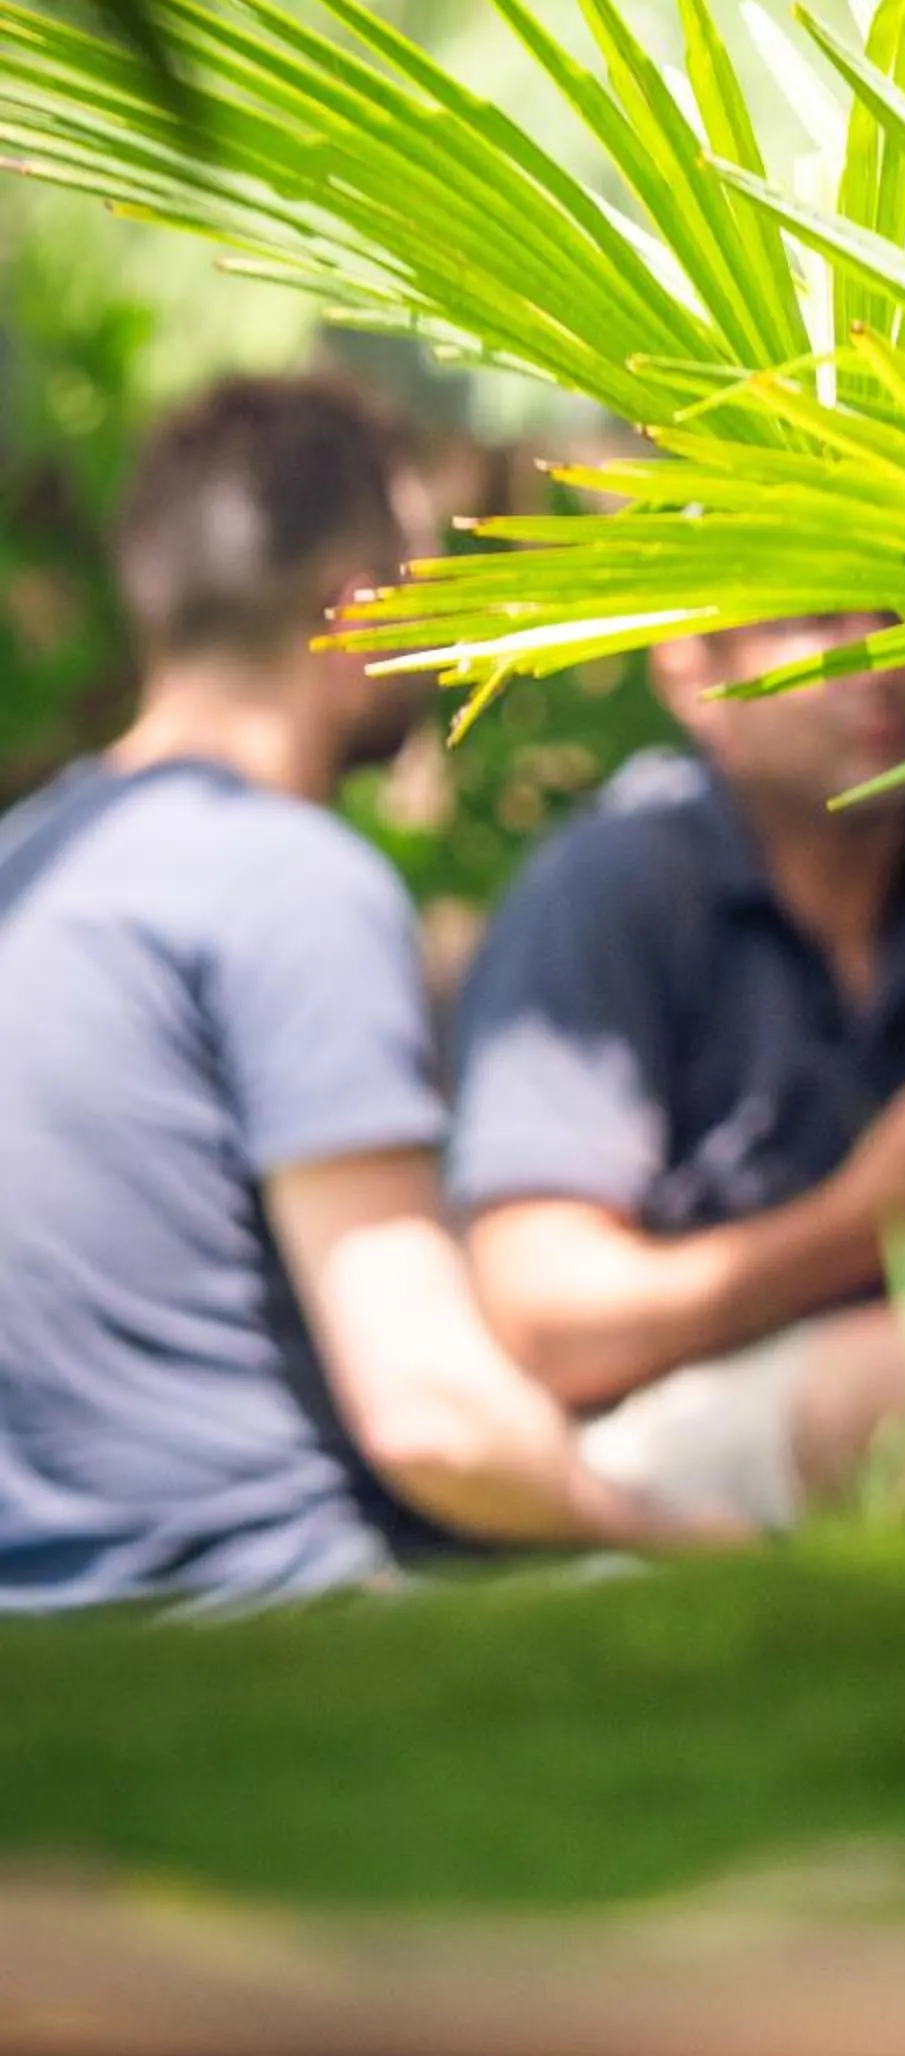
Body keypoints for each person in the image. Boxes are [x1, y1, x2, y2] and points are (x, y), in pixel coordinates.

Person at [0, 372, 703, 1611]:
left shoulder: (35, 859)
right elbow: (427, 1410)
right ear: (352, 612)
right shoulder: (292, 881)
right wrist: (683, 1546)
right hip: (261, 1593)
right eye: (429, 575)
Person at [453, 614, 905, 1531]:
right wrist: (862, 1225)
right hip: (633, 1437)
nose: (873, 657)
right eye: (814, 623)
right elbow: (542, 1318)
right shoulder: (603, 891)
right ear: (688, 672)